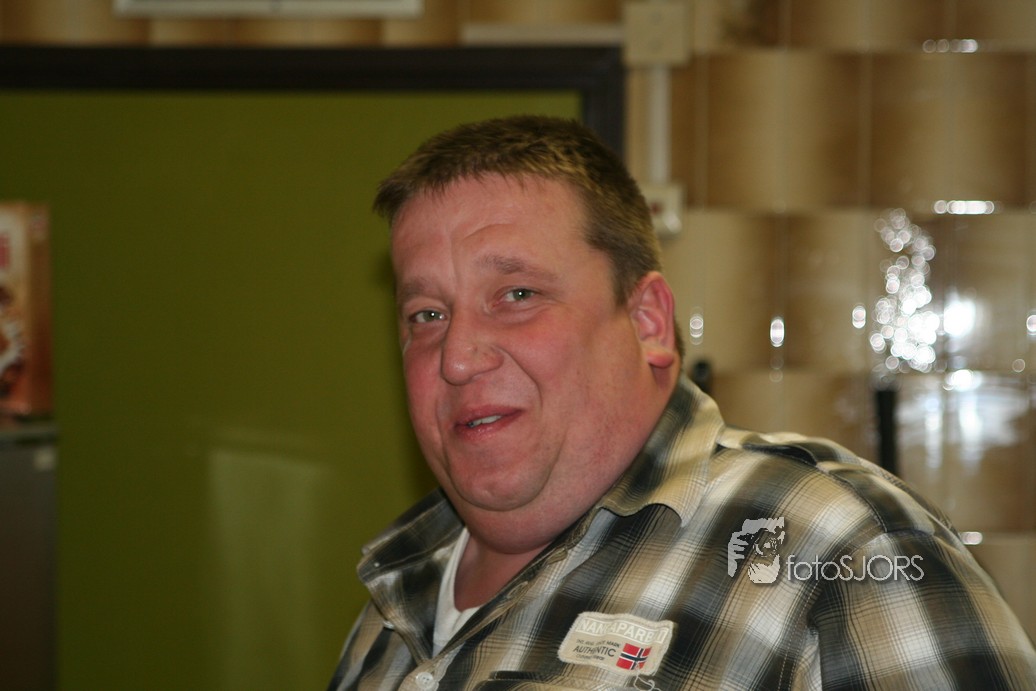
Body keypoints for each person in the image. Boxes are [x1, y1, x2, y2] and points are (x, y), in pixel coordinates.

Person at [327, 115, 1036, 690]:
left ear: (648, 323)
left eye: (517, 294)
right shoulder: (396, 596)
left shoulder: (840, 548)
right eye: (426, 315)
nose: (456, 357)